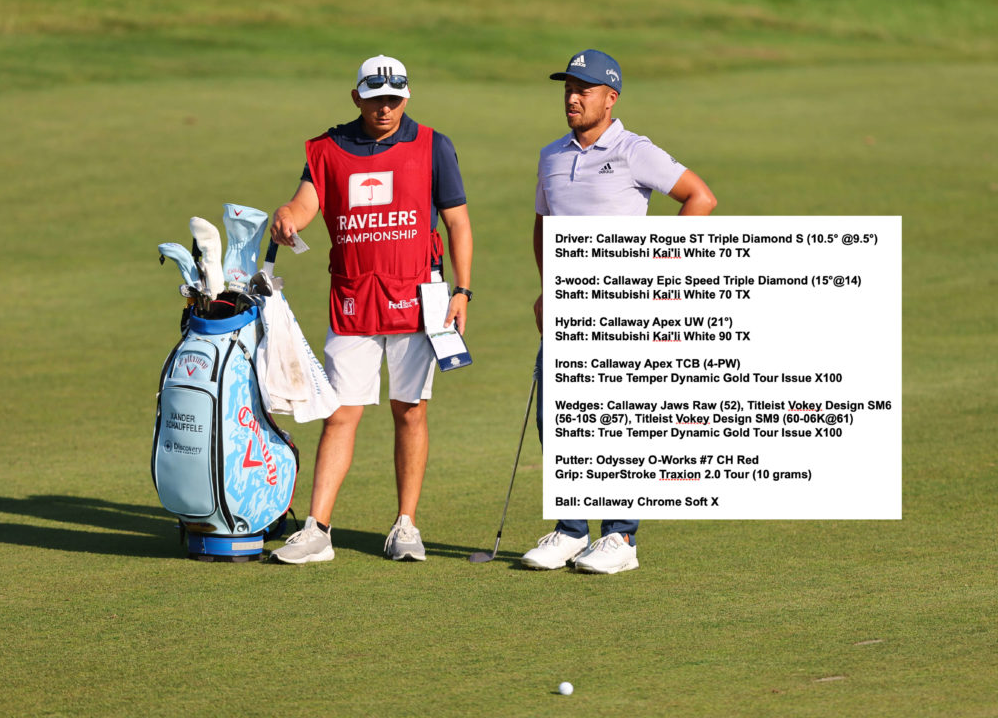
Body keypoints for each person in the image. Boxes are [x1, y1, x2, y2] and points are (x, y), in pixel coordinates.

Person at [268, 55, 474, 563]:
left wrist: (463, 291)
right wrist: (288, 217)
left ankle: (406, 526)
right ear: (356, 96)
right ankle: (317, 530)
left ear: (406, 97)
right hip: (354, 297)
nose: (385, 107)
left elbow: (458, 223)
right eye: (375, 96)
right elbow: (306, 202)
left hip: (418, 297)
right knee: (341, 413)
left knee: (410, 411)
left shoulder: (433, 145)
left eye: (394, 97)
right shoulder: (328, 148)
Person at [522, 49, 717, 574]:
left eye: (584, 89)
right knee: (557, 419)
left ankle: (620, 538)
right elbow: (545, 225)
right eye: (568, 87)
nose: (572, 97)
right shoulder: (551, 156)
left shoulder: (634, 151)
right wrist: (549, 287)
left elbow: (700, 197)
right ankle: (569, 530)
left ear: (611, 99)